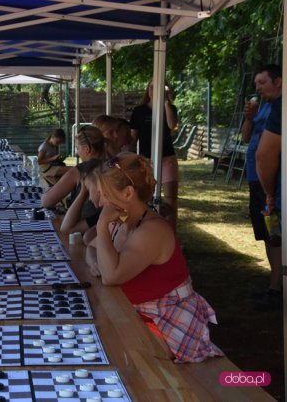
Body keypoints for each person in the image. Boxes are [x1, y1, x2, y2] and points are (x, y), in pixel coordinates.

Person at [94, 152, 223, 363]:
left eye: (103, 194)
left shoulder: (152, 230)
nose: (99, 203)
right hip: (139, 316)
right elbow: (93, 251)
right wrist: (96, 258)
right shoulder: (126, 221)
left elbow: (110, 275)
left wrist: (101, 227)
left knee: (105, 349)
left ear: (128, 193)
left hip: (167, 326)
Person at [130, 81, 179, 229]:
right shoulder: (139, 111)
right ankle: (147, 232)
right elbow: (133, 137)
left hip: (167, 158)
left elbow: (172, 125)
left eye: (158, 88)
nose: (154, 90)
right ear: (148, 90)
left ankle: (172, 236)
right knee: (146, 198)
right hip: (146, 160)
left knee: (170, 200)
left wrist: (165, 103)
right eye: (151, 87)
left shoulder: (170, 108)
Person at [254, 64, 283, 310]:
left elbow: (264, 155)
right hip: (263, 182)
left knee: (276, 235)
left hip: (274, 187)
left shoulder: (281, 107)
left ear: (280, 81)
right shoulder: (269, 106)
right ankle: (275, 285)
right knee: (270, 235)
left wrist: (270, 193)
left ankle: (276, 289)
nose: (258, 88)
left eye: (262, 82)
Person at [41, 125, 107, 209]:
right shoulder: (112, 164)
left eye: (77, 148)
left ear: (87, 149)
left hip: (82, 219)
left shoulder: (80, 170)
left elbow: (46, 201)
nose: (77, 153)